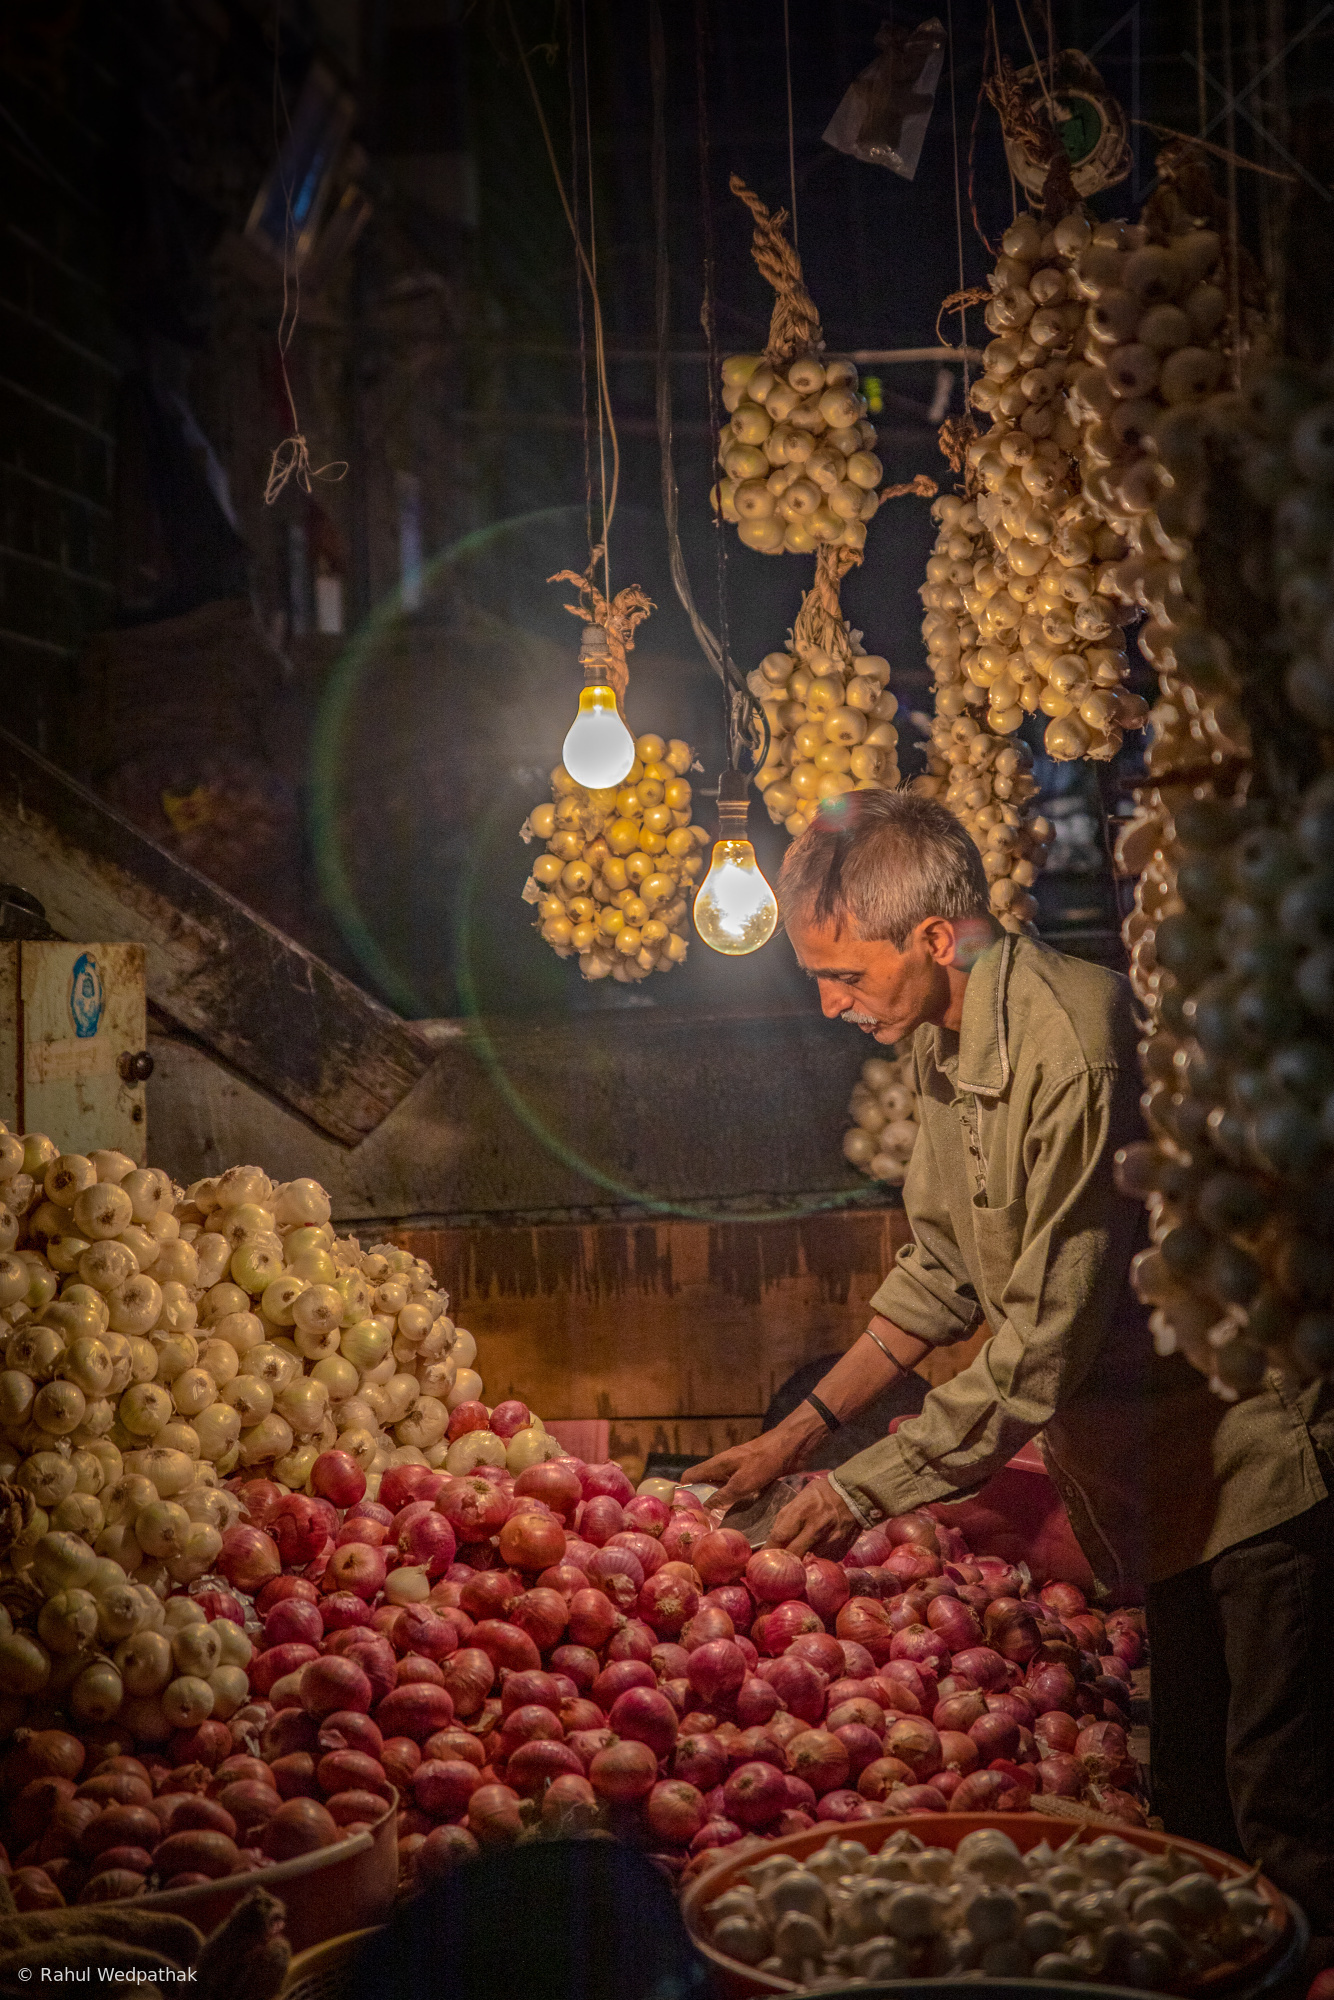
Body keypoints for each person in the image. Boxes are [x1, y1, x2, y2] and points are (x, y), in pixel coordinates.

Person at [692, 788, 1334, 1925]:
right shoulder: (945, 1037)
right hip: (1163, 1479)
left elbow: (1039, 1346)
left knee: (1286, 1815)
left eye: (844, 974)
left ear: (933, 938)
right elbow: (943, 1269)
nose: (831, 1005)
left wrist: (857, 1490)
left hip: (1250, 1466)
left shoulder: (1076, 1049)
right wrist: (798, 1433)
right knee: (1187, 1803)